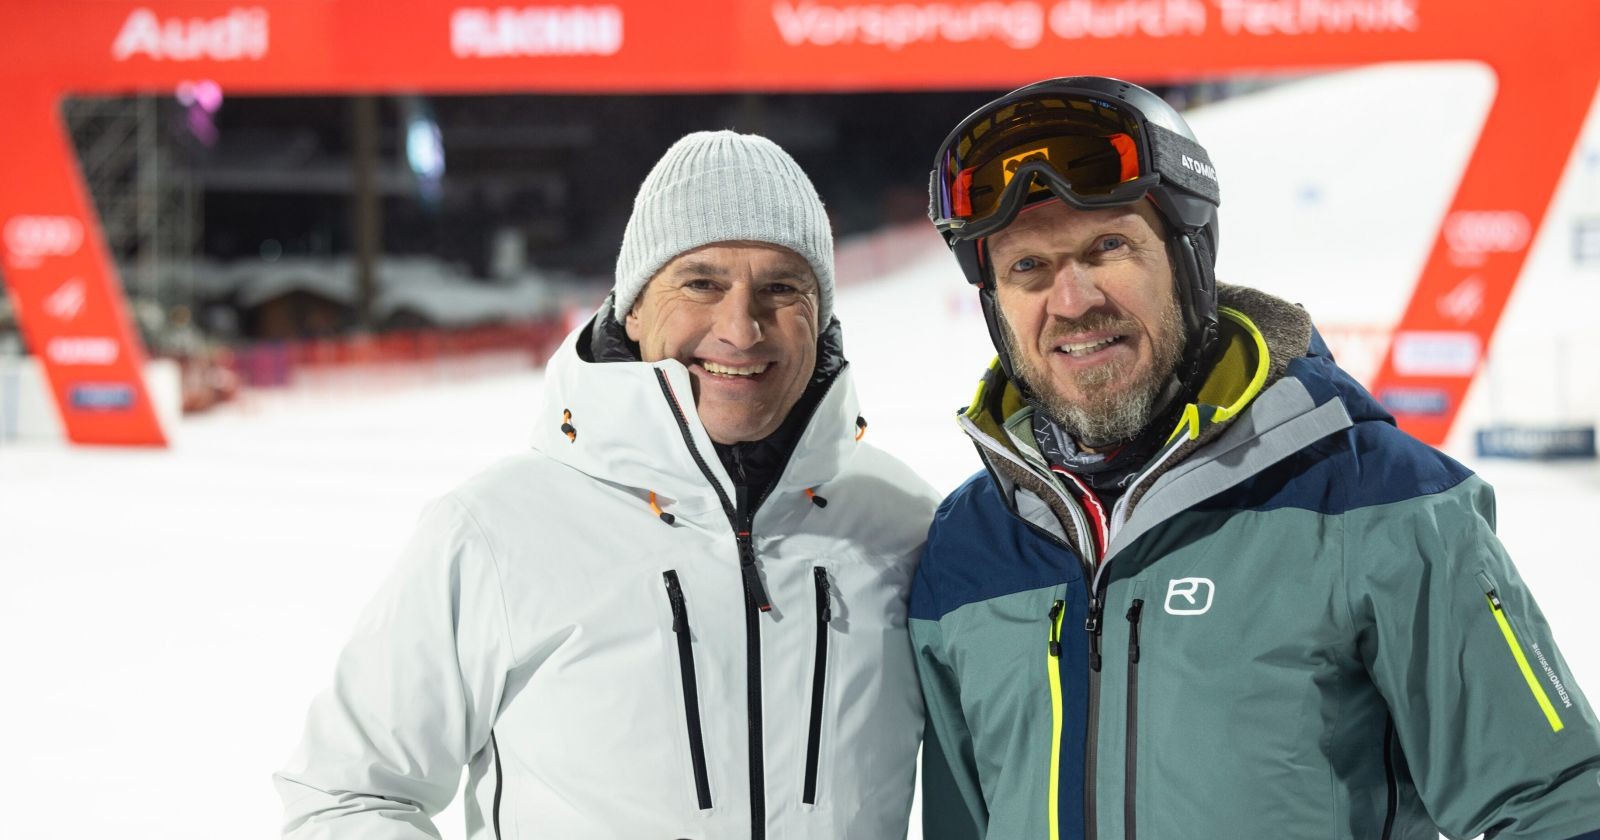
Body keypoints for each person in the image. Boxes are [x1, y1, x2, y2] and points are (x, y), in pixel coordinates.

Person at [909, 77, 1600, 839]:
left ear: (1189, 258)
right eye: (1027, 269)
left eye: (1108, 246)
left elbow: (1555, 805)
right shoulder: (965, 548)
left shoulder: (1381, 504)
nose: (1071, 301)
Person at [275, 131, 939, 839]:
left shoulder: (905, 524)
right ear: (633, 308)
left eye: (781, 287)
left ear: (823, 317)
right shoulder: (496, 531)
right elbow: (348, 796)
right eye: (702, 283)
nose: (742, 328)